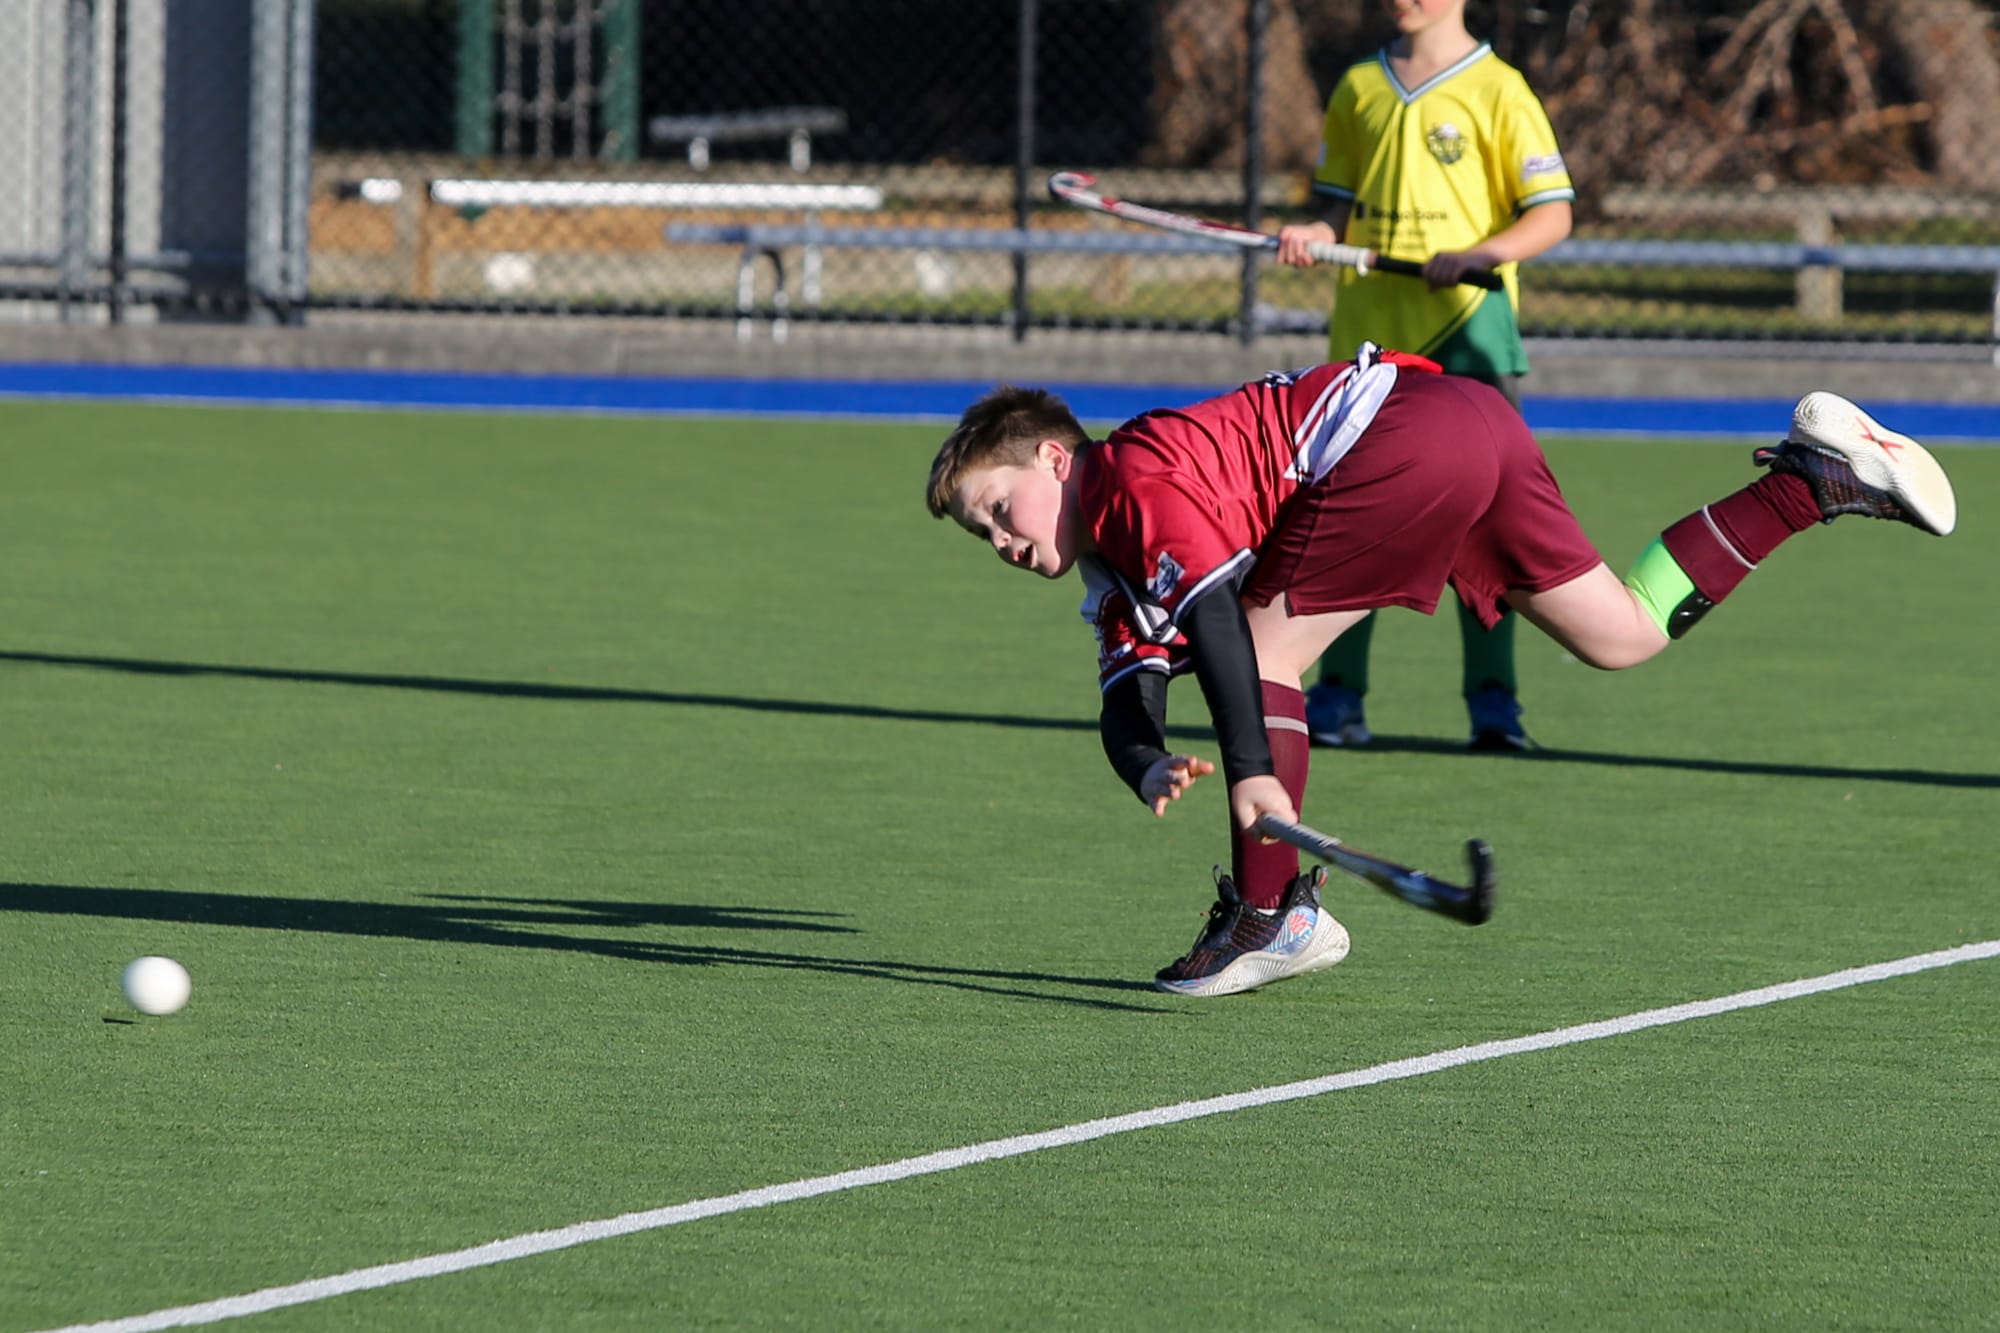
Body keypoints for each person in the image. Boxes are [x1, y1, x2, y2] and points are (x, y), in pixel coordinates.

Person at [924, 347, 1956, 998]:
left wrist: (1249, 764)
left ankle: (1269, 912)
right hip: (1465, 423)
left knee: (1260, 643)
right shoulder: (1111, 571)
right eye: (983, 538)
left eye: (1000, 511)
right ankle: (1812, 483)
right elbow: (1124, 693)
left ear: (1056, 460)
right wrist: (1147, 763)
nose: (1002, 542)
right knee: (1621, 631)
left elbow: (1215, 623)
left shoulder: (1133, 478)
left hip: (1400, 434)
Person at [1275, 0, 1575, 752]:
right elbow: (1336, 207)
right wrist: (1316, 232)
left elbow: (1551, 215)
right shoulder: (1357, 87)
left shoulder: (1499, 89)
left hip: (1467, 338)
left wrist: (1478, 255)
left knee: (1487, 525)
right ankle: (1337, 698)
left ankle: (1494, 704)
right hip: (1370, 345)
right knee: (1349, 515)